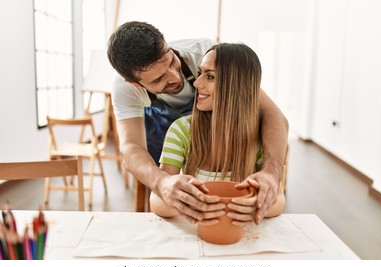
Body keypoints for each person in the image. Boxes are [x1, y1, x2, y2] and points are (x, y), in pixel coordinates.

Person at [107, 21, 288, 225]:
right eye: (158, 80)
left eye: (171, 61)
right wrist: (162, 182)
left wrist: (271, 172)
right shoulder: (126, 91)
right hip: (160, 130)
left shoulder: (205, 54)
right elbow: (131, 146)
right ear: (134, 83)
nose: (176, 78)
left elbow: (274, 116)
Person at [150, 43, 286, 225]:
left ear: (237, 86)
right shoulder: (181, 130)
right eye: (200, 74)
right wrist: (192, 205)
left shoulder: (261, 138)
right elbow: (157, 199)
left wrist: (258, 205)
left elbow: (279, 199)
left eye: (210, 76)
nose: (197, 83)